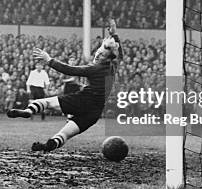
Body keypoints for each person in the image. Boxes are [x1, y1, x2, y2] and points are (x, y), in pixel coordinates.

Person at [7, 20, 122, 152]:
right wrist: (115, 34)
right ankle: (47, 146)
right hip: (95, 111)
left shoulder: (94, 68)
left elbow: (70, 70)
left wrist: (49, 60)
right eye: (99, 52)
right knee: (65, 134)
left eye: (101, 54)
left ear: (106, 57)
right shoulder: (113, 66)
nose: (98, 55)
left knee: (45, 102)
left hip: (84, 100)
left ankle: (28, 111)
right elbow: (120, 54)